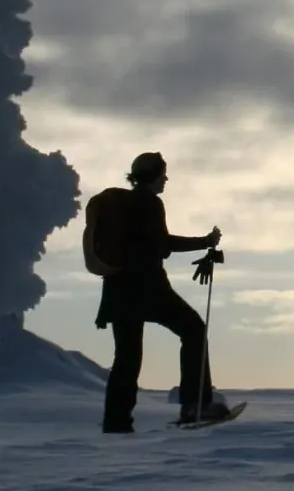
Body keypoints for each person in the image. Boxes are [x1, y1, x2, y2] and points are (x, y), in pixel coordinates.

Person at [88, 152, 228, 432]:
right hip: (148, 288)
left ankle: (116, 423)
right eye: (163, 174)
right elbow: (162, 244)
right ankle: (195, 404)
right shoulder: (150, 204)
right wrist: (205, 242)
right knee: (193, 329)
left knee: (127, 357)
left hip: (117, 289)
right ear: (152, 176)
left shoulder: (122, 205)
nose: (166, 179)